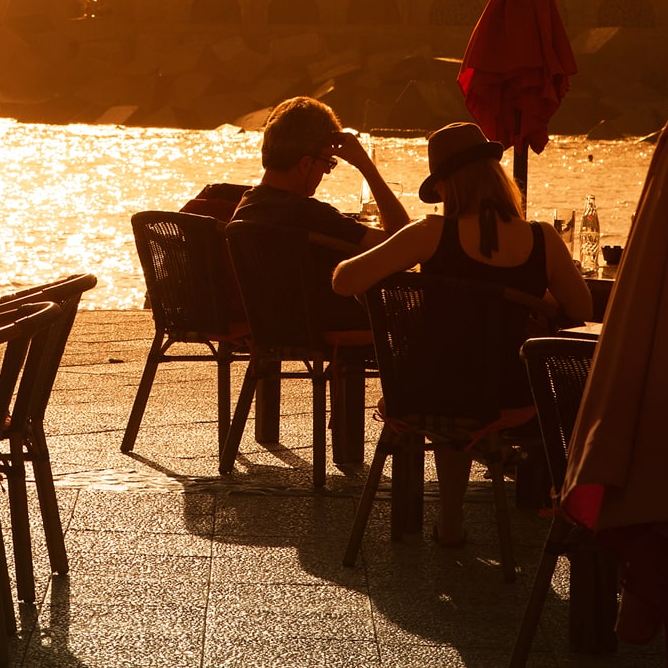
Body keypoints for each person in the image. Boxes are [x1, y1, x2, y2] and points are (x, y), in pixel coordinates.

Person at [331, 121, 592, 545]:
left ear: (449, 184)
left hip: (425, 391)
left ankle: (450, 520)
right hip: (506, 396)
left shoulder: (431, 233)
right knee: (520, 377)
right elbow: (580, 312)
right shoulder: (542, 238)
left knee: (453, 370)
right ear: (497, 177)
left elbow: (344, 280)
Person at [229, 95, 411, 249]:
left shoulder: (246, 206)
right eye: (328, 163)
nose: (327, 172)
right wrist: (366, 166)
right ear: (306, 164)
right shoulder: (312, 216)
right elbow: (403, 245)